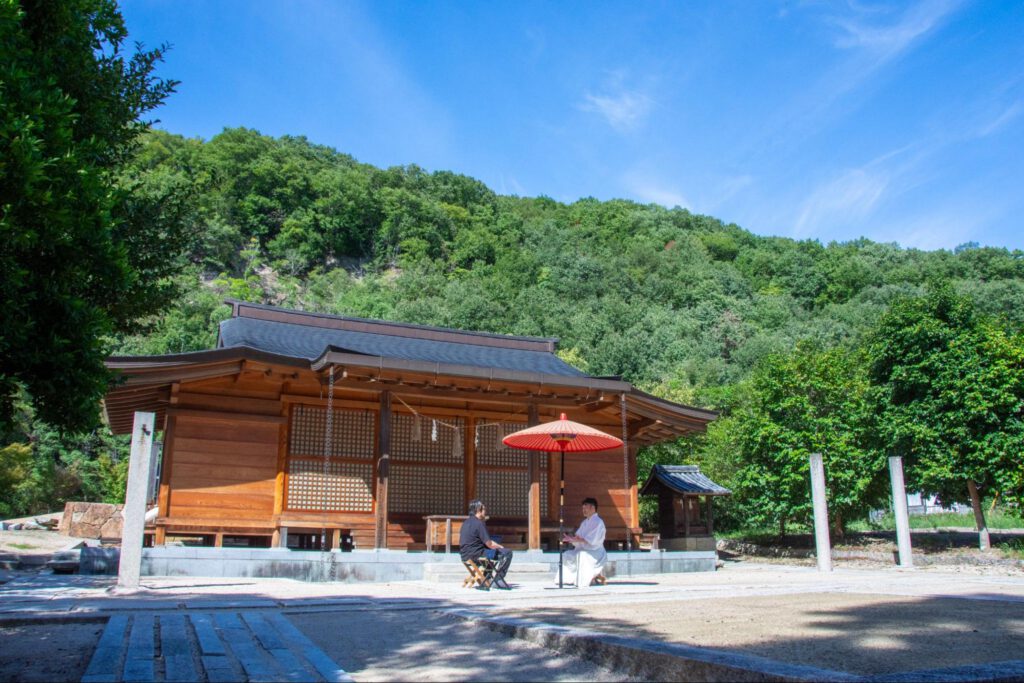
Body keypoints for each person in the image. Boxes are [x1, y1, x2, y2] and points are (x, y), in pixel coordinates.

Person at [459, 499, 513, 590]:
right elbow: (490, 544)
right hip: (477, 555)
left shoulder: (465, 523)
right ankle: (498, 580)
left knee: (490, 553)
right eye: (484, 509)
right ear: (478, 510)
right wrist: (500, 546)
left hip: (465, 555)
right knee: (507, 553)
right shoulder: (479, 523)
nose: (485, 512)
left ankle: (487, 579)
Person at [560, 497, 607, 586]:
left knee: (582, 555)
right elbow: (579, 537)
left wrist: (577, 540)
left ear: (593, 508)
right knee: (566, 555)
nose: (584, 510)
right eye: (583, 508)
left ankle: (582, 581)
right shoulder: (585, 522)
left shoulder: (598, 522)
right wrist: (572, 539)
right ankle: (568, 579)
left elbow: (592, 540)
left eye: (586, 508)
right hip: (585, 549)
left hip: (595, 551)